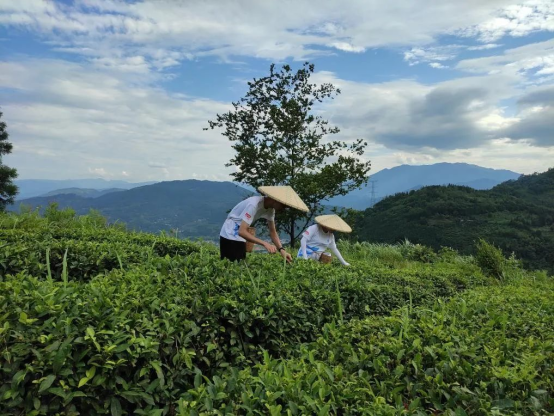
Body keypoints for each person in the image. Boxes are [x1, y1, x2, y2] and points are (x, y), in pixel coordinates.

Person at [220, 185, 309, 263]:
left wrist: (282, 250)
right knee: (233, 266)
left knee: (239, 265)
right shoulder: (253, 205)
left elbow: (273, 232)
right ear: (276, 200)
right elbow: (242, 231)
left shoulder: (270, 210)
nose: (284, 209)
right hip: (230, 233)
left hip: (239, 236)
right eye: (283, 206)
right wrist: (265, 243)